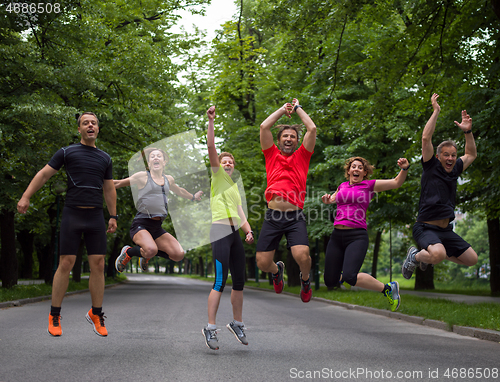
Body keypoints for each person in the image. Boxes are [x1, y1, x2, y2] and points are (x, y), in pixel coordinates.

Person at [17, 112, 117, 337]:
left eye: (94, 123)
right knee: (66, 263)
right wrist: (26, 196)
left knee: (99, 264)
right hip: (73, 214)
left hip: (95, 217)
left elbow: (109, 188)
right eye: (85, 123)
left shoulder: (105, 158)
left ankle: (96, 314)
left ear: (98, 129)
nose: (90, 126)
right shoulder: (66, 152)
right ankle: (54, 315)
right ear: (79, 129)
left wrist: (113, 216)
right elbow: (44, 175)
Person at [402, 93, 478, 279]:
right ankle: (415, 255)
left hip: (445, 231)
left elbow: (471, 154)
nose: (451, 158)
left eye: (453, 155)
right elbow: (426, 139)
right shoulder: (430, 166)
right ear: (438, 156)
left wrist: (467, 132)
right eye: (446, 155)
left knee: (472, 259)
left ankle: (435, 255)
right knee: (438, 254)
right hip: (425, 228)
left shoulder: (455, 169)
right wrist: (436, 111)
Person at [321, 157, 410, 311]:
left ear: (364, 172)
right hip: (336, 236)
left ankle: (387, 289)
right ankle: (347, 274)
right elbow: (333, 199)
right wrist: (328, 200)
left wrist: (404, 169)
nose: (356, 169)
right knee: (329, 281)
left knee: (349, 276)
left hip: (356, 236)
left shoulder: (369, 185)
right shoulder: (342, 186)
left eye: (360, 167)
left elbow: (396, 182)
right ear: (348, 171)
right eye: (353, 167)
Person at [202, 105, 254, 351]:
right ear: (218, 165)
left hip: (234, 234)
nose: (227, 164)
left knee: (240, 281)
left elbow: (241, 213)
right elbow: (211, 147)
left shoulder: (234, 187)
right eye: (224, 161)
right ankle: (210, 328)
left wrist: (249, 231)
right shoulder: (217, 177)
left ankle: (237, 323)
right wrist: (211, 121)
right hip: (220, 231)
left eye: (231, 162)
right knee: (220, 281)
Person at [256, 98, 316, 303]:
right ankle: (276, 270)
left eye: (292, 136)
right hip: (273, 215)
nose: (289, 138)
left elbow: (312, 128)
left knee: (303, 256)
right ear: (279, 140)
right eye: (285, 136)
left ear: (297, 141)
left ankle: (305, 280)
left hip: (294, 216)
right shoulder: (271, 154)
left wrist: (298, 108)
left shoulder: (303, 156)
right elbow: (264, 126)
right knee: (263, 263)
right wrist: (283, 110)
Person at [114, 147, 203, 273]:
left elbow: (180, 190)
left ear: (164, 161)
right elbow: (118, 183)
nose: (156, 157)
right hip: (141, 224)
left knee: (178, 255)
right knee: (151, 250)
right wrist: (99, 182)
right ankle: (128, 252)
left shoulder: (168, 179)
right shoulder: (142, 177)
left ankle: (146, 255)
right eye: (152, 156)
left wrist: (193, 197)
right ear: (149, 163)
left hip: (157, 227)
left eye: (159, 156)